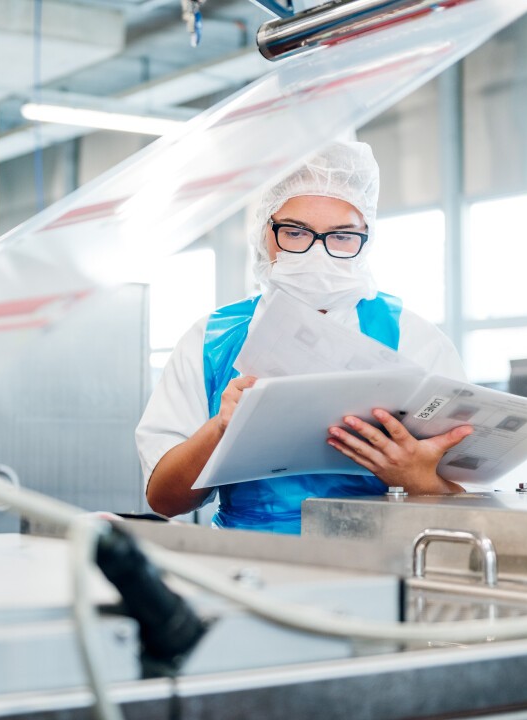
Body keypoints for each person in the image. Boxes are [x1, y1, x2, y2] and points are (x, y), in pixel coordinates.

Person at [135, 141, 472, 534]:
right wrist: (221, 429)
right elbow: (164, 499)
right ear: (265, 232)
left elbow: (473, 498)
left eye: (342, 236)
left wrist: (416, 477)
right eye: (295, 232)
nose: (317, 254)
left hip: (383, 567)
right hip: (249, 567)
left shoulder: (414, 338)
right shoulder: (211, 340)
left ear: (367, 238)